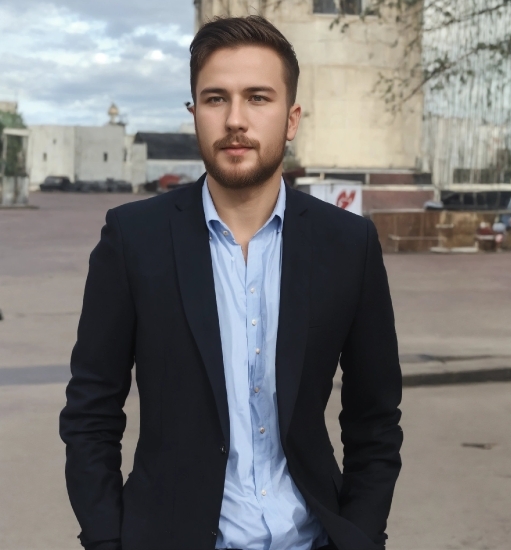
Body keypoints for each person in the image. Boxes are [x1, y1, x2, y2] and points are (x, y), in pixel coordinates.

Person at [60, 15, 403, 550]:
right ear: (194, 113)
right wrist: (107, 539)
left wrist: (360, 536)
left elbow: (375, 419)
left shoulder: (349, 244)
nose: (235, 120)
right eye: (216, 98)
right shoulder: (133, 239)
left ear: (291, 119)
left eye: (258, 98)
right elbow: (90, 412)